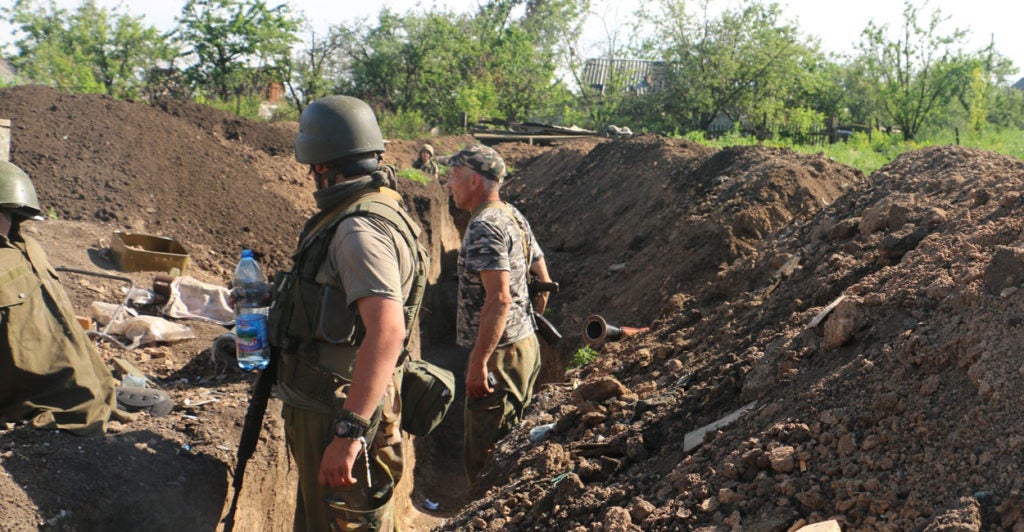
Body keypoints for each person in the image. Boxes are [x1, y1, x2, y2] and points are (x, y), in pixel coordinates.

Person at [269, 95, 428, 530]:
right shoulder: (379, 207)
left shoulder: (358, 229)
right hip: (340, 403)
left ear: (323, 165)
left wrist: (349, 432)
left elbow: (388, 331)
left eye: (311, 168)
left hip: (339, 411)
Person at [443, 144, 551, 482]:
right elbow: (543, 278)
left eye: (454, 176)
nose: (449, 184)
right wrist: (526, 323)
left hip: (500, 359)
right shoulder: (511, 215)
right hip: (524, 347)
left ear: (474, 181)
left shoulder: (484, 226)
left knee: (486, 462)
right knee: (510, 449)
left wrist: (479, 363)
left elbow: (500, 298)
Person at [0, 160, 120, 437]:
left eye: (7, 216)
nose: (7, 222)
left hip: (62, 399)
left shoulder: (22, 255)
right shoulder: (29, 249)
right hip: (85, 393)